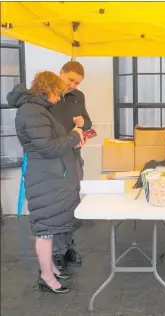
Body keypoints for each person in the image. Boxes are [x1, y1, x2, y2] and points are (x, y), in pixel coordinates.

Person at [8, 71, 85, 294]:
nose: (60, 97)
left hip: (49, 177)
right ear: (48, 88)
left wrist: (72, 139)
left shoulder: (37, 109)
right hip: (45, 178)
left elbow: (49, 142)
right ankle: (47, 277)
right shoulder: (31, 110)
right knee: (45, 231)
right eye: (58, 92)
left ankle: (50, 269)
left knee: (49, 228)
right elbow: (48, 147)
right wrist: (73, 136)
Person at [49, 60, 92, 270]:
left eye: (77, 83)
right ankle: (56, 252)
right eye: (71, 80)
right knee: (57, 205)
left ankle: (68, 247)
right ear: (61, 73)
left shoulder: (79, 97)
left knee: (72, 202)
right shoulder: (47, 96)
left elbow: (89, 123)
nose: (73, 85)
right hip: (54, 158)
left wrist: (84, 124)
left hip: (74, 157)